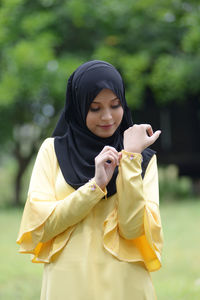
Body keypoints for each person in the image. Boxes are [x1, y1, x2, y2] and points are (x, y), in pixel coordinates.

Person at [17, 60, 163, 300]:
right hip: (68, 286)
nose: (107, 117)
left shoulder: (142, 159)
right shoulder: (52, 151)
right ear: (78, 107)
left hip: (125, 285)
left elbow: (132, 227)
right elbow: (41, 227)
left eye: (115, 105)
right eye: (94, 108)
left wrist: (130, 159)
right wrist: (95, 186)